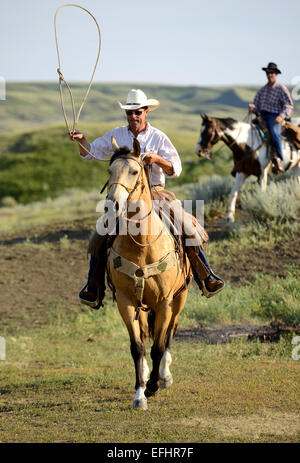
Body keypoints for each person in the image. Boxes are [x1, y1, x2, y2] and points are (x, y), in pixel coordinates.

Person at [70, 89, 224, 308]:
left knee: (185, 224)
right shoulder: (117, 134)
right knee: (101, 233)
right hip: (126, 198)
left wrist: (158, 159)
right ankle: (93, 286)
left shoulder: (158, 137)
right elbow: (92, 152)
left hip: (156, 193)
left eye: (138, 112)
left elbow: (176, 168)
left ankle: (205, 275)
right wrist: (81, 139)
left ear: (146, 111)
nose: (133, 117)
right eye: (130, 113)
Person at [249, 62, 294, 173]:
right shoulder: (262, 90)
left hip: (275, 116)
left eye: (272, 73)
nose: (270, 75)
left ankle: (278, 159)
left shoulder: (281, 89)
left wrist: (281, 116)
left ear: (276, 74)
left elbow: (288, 105)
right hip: (262, 116)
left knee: (274, 133)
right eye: (268, 73)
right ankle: (244, 160)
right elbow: (256, 106)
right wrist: (252, 108)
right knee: (248, 132)